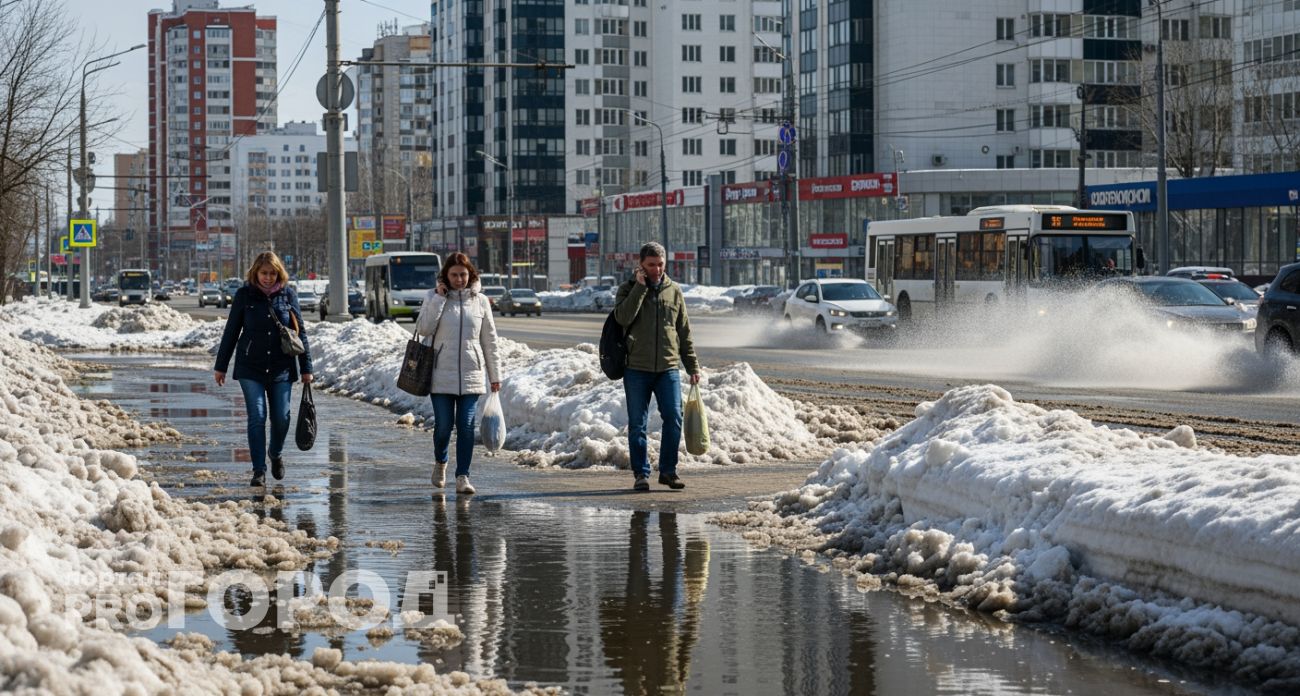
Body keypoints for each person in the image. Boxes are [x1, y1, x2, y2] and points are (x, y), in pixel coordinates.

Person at [213, 251, 313, 487]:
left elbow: (301, 333)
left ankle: (275, 452)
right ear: (255, 273)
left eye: (272, 273)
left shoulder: (288, 295)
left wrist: (306, 368)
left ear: (279, 273)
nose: (268, 278)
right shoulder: (244, 295)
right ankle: (258, 470)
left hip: (282, 368)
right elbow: (231, 333)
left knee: (282, 418)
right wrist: (221, 366)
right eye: (263, 273)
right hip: (251, 367)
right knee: (257, 416)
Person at [613, 242, 701, 491]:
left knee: (674, 417)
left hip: (668, 368)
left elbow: (683, 331)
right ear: (641, 265)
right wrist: (639, 289)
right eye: (651, 265)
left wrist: (692, 365)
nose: (656, 269)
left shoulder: (674, 291)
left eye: (660, 264)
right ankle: (641, 474)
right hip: (636, 369)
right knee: (637, 423)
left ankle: (668, 471)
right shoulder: (627, 288)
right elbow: (623, 318)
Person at [415, 252, 501, 494]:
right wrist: (439, 300)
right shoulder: (433, 296)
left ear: (470, 274)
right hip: (440, 374)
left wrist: (495, 376)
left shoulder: (481, 301)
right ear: (446, 276)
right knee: (444, 426)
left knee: (466, 427)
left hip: (471, 374)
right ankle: (441, 462)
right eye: (454, 275)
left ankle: (463, 475)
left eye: (463, 274)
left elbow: (490, 341)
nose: (459, 279)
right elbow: (423, 329)